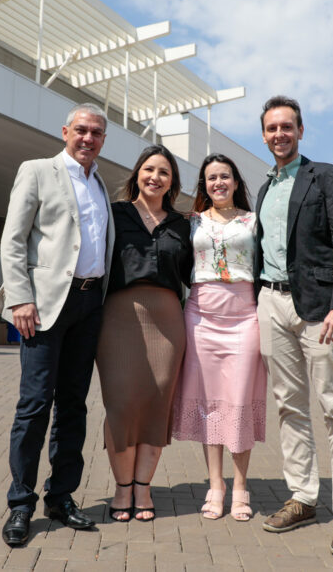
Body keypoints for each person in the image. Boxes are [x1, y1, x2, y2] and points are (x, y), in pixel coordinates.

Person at [0, 103, 115, 547]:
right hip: (44, 308)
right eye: (81, 130)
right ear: (65, 131)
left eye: (97, 133)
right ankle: (21, 504)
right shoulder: (37, 170)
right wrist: (20, 299)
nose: (88, 138)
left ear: (103, 140)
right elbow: (12, 239)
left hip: (89, 305)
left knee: (73, 407)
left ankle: (60, 497)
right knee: (34, 406)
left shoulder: (100, 184)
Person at [253, 95, 333, 558]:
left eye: (287, 126)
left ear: (301, 131)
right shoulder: (265, 187)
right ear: (263, 135)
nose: (279, 134)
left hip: (318, 309)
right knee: (289, 406)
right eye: (271, 128)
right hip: (271, 302)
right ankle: (302, 497)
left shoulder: (326, 176)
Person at [95, 144, 192, 522]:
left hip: (167, 321)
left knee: (155, 407)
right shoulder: (114, 213)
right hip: (119, 319)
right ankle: (122, 488)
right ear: (137, 174)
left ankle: (143, 488)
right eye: (149, 169)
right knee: (121, 406)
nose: (155, 177)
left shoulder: (183, 224)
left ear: (172, 182)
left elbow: (193, 274)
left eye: (164, 172)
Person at [172, 154, 266, 521]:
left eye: (224, 176)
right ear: (204, 185)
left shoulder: (253, 221)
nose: (218, 183)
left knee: (239, 401)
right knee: (210, 402)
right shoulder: (191, 221)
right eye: (211, 178)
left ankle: (241, 486)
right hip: (201, 317)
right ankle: (216, 485)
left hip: (244, 317)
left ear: (236, 181)